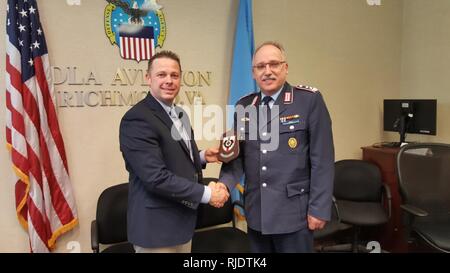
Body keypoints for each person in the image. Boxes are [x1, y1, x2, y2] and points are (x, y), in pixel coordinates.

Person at [219, 41, 335, 253]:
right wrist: (224, 185)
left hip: (294, 213)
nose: (267, 71)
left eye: (274, 64)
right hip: (257, 212)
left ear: (286, 67)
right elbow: (237, 157)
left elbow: (323, 160)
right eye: (261, 66)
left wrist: (319, 208)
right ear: (253, 73)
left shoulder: (308, 101)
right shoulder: (244, 106)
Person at [119, 50, 229, 253]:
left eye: (174, 75)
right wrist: (207, 193)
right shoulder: (137, 119)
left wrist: (204, 156)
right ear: (148, 78)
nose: (169, 81)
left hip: (182, 222)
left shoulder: (179, 114)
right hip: (155, 231)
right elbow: (155, 177)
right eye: (162, 75)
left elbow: (175, 155)